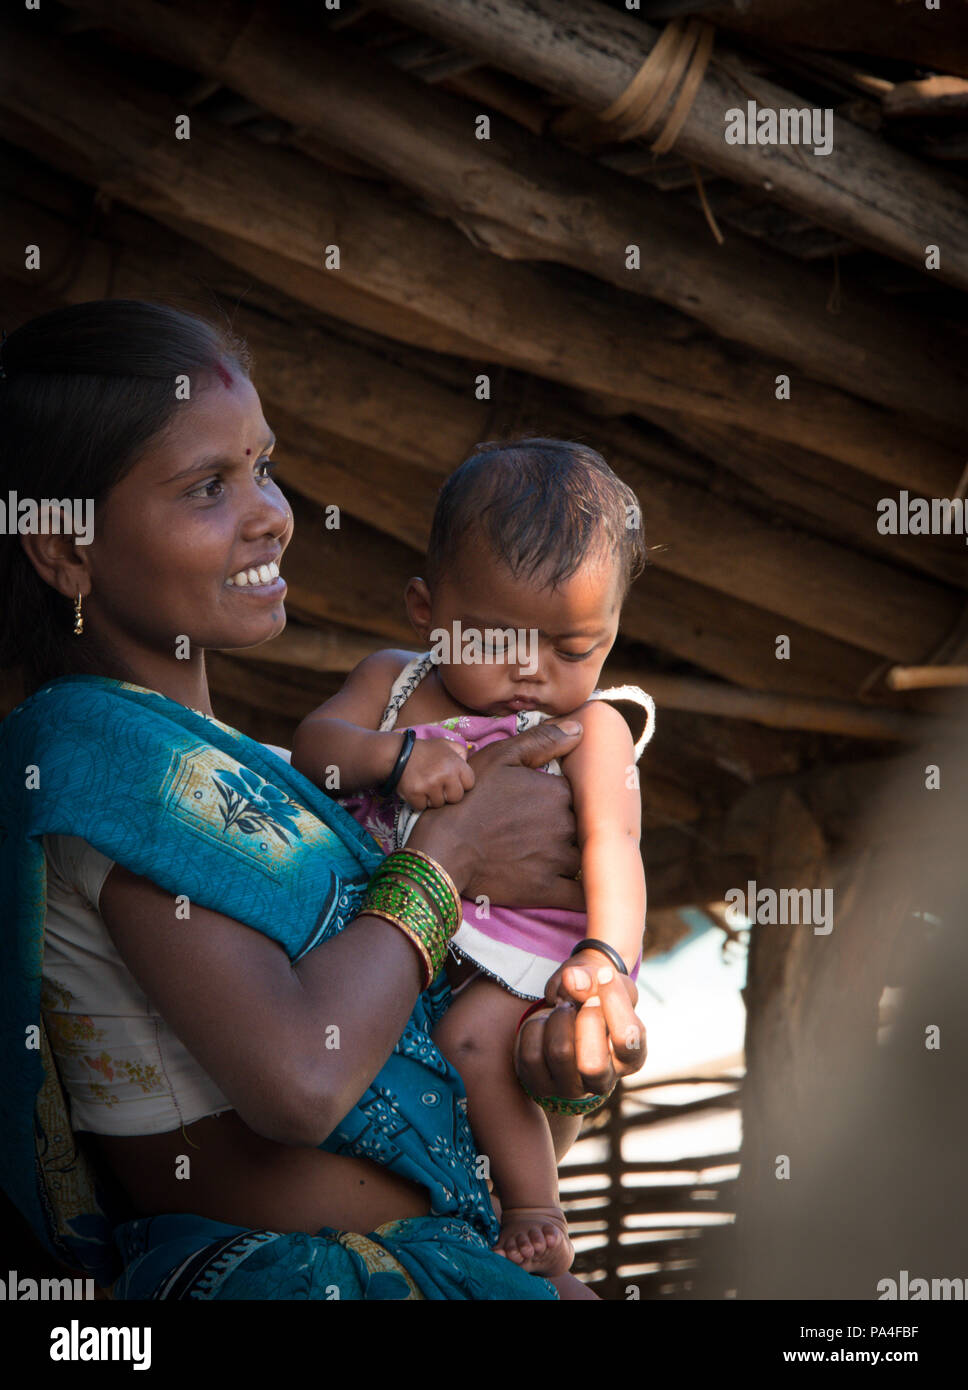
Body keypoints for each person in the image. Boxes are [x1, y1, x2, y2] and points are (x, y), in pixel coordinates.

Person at [0, 300, 646, 1301]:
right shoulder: (95, 754)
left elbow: (416, 1064)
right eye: (208, 485)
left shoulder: (285, 782)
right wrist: (447, 857)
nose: (269, 512)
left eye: (263, 464)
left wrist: (549, 1054)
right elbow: (302, 1080)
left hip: (437, 1263)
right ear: (66, 549)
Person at [290, 439, 655, 1275]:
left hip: (520, 949)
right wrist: (395, 754)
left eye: (573, 651)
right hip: (400, 944)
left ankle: (535, 1216)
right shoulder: (391, 683)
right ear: (427, 607)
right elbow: (317, 748)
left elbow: (615, 845)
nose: (531, 675)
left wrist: (606, 957)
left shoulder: (591, 729)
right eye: (495, 642)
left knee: (478, 1043)